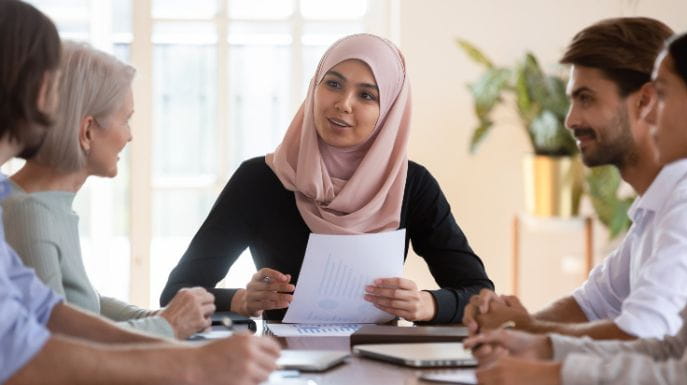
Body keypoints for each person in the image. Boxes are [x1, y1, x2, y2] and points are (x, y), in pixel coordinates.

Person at [1, 1, 279, 384]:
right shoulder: (23, 209)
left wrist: (165, 330)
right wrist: (187, 354)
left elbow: (49, 310)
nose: (55, 101)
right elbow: (31, 350)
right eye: (50, 79)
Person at [161, 33, 493, 324]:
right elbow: (176, 293)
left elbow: (480, 294)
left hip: (380, 361)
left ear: (390, 110)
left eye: (367, 95)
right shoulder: (260, 179)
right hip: (283, 364)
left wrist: (428, 304)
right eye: (333, 84)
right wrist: (241, 300)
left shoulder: (411, 184)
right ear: (314, 88)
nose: (342, 104)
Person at [463, 24, 687, 385]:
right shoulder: (659, 207)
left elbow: (650, 341)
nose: (570, 119)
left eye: (586, 98)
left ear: (644, 100)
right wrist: (525, 339)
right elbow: (599, 309)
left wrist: (539, 351)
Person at [1, 41, 215, 340]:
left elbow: (86, 307)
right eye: (125, 120)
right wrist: (167, 326)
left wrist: (161, 318)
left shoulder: (48, 205)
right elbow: (57, 342)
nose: (130, 136)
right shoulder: (29, 212)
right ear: (87, 130)